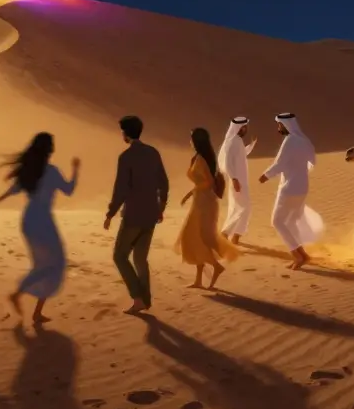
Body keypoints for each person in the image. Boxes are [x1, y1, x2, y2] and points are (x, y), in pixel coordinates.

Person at [0, 133, 80, 325]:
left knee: (45, 264)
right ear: (49, 150)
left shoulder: (30, 171)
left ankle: (36, 311)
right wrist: (75, 169)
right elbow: (69, 190)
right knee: (55, 264)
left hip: (29, 220)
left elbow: (14, 189)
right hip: (43, 221)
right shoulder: (52, 171)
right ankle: (18, 294)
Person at [104, 115, 169, 315]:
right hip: (151, 215)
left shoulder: (126, 157)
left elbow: (121, 189)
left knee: (119, 256)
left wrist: (110, 213)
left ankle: (138, 297)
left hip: (133, 215)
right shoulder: (153, 153)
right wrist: (161, 208)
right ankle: (145, 300)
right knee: (140, 258)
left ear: (125, 133)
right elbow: (163, 184)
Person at [174, 127, 242, 289]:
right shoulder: (200, 157)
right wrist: (190, 194)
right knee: (195, 236)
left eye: (191, 138)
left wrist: (194, 191)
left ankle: (217, 267)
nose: (189, 141)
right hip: (200, 200)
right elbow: (202, 182)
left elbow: (209, 183)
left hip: (205, 203)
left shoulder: (202, 159)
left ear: (197, 141)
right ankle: (198, 280)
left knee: (198, 237)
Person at [258, 112, 325, 270]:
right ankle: (303, 254)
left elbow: (279, 164)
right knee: (289, 222)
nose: (278, 128)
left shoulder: (289, 141)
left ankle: (297, 256)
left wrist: (265, 176)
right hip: (302, 187)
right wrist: (301, 172)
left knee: (277, 221)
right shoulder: (304, 140)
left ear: (285, 125)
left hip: (289, 188)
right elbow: (312, 161)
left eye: (279, 125)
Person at [218, 116, 258, 244]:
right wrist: (234, 179)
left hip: (240, 180)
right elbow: (229, 162)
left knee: (239, 208)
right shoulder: (233, 141)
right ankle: (225, 233)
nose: (246, 129)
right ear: (239, 128)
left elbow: (241, 155)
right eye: (244, 127)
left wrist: (251, 145)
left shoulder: (237, 141)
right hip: (237, 181)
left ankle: (236, 236)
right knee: (243, 208)